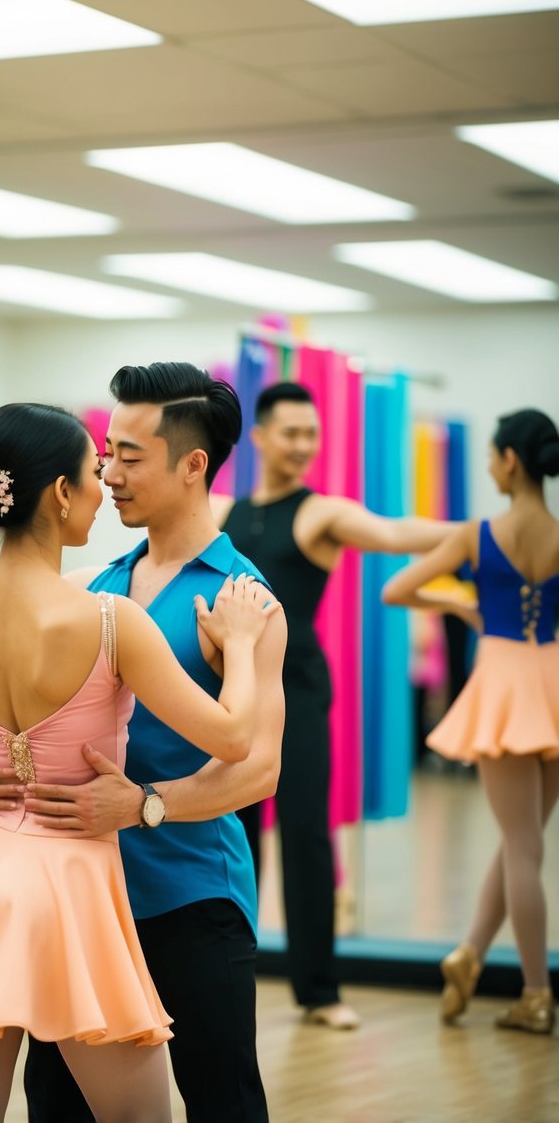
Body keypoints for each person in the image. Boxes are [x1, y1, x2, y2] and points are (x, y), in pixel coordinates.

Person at [0, 401, 279, 1123]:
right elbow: (235, 738)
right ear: (59, 494)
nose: (105, 480)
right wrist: (235, 647)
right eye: (93, 468)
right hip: (69, 881)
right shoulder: (109, 618)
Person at [219, 380, 453, 1030]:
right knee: (231, 836)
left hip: (295, 690)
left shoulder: (319, 512)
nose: (303, 446)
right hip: (233, 691)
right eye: (291, 433)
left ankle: (318, 991)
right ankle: (225, 973)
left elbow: (390, 531)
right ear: (259, 437)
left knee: (303, 835)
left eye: (312, 435)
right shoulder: (220, 512)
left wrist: (486, 531)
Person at [383, 407, 559, 1036]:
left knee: (521, 846)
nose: (487, 465)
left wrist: (461, 607)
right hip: (552, 678)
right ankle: (471, 954)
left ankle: (538, 994)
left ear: (511, 459)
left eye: (492, 455)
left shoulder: (479, 533)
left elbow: (397, 590)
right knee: (526, 841)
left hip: (506, 683)